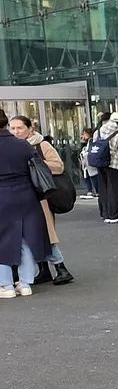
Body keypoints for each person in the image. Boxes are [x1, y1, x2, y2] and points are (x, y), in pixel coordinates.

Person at [6, 116, 75, 286]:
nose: (16, 132)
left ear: (29, 128)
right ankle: (43, 270)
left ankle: (61, 268)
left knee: (44, 235)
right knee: (31, 236)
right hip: (25, 196)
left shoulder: (41, 144)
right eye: (12, 128)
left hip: (40, 197)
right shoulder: (13, 147)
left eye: (19, 128)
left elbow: (58, 166)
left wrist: (36, 163)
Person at [0, 108, 50, 298]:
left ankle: (5, 285)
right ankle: (25, 282)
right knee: (25, 238)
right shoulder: (22, 145)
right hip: (26, 194)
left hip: (2, 196)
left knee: (2, 239)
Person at [95, 112, 118, 223]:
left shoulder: (98, 131)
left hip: (100, 163)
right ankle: (114, 215)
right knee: (114, 190)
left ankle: (104, 214)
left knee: (103, 189)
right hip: (114, 165)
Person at [77, 128, 99, 199]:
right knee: (87, 176)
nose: (83, 135)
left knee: (93, 176)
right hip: (85, 162)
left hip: (89, 161)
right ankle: (90, 190)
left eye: (85, 133)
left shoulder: (92, 141)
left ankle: (96, 190)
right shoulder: (86, 142)